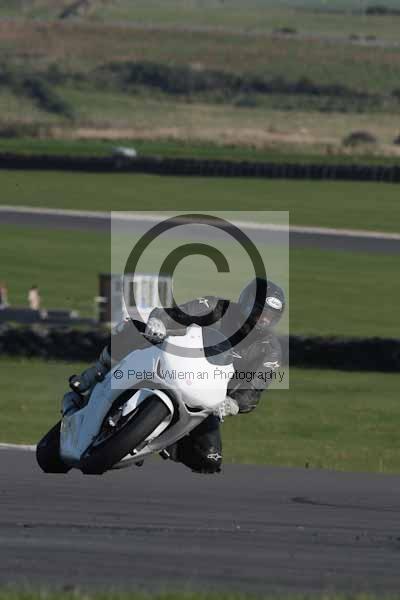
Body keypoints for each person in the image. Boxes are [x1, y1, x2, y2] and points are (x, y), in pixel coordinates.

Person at [64, 278, 285, 474]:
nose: (262, 320)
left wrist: (234, 403)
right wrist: (160, 321)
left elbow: (255, 386)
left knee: (210, 458)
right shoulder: (216, 307)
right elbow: (178, 313)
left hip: (204, 396)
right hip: (173, 362)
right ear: (245, 303)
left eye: (269, 317)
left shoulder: (270, 350)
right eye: (259, 312)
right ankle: (96, 372)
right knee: (134, 326)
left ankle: (154, 441)